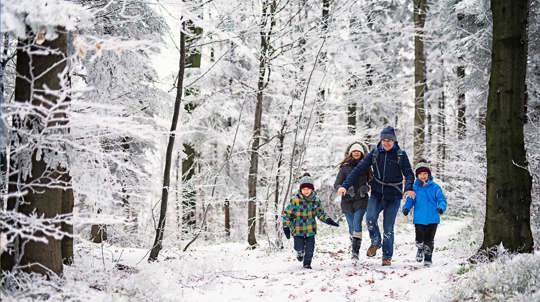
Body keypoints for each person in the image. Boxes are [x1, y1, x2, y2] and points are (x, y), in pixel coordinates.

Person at [337, 126, 415, 266]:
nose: (387, 143)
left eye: (390, 140)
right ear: (381, 140)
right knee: (370, 218)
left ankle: (386, 256)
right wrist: (345, 185)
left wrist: (408, 188)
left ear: (394, 141)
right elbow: (358, 169)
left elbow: (409, 173)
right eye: (384, 140)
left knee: (388, 227)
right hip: (377, 194)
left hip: (394, 195)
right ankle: (375, 241)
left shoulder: (400, 155)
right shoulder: (374, 153)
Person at [282, 173, 340, 269]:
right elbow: (287, 214)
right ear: (300, 189)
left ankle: (307, 264)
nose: (306, 191)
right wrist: (286, 226)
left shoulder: (315, 200)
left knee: (310, 249)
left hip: (310, 229)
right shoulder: (295, 200)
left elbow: (320, 213)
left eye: (308, 189)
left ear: (312, 189)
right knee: (298, 246)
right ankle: (300, 253)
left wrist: (328, 220)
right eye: (304, 189)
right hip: (298, 230)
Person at [402, 160, 447, 267]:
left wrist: (441, 207)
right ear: (417, 175)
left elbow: (442, 199)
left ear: (429, 174)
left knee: (429, 240)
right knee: (419, 239)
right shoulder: (414, 188)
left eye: (425, 173)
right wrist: (406, 208)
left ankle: (428, 259)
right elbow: (410, 200)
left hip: (433, 219)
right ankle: (419, 248)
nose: (423, 176)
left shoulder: (435, 187)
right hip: (419, 219)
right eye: (420, 174)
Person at [333, 142, 371, 260]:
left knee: (356, 223)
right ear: (350, 153)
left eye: (358, 151)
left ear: (361, 153)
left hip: (361, 199)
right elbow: (337, 184)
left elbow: (372, 181)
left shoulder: (366, 166)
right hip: (347, 201)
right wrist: (342, 188)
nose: (356, 153)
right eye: (354, 151)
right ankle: (354, 240)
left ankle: (355, 251)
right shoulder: (344, 168)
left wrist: (366, 188)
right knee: (351, 226)